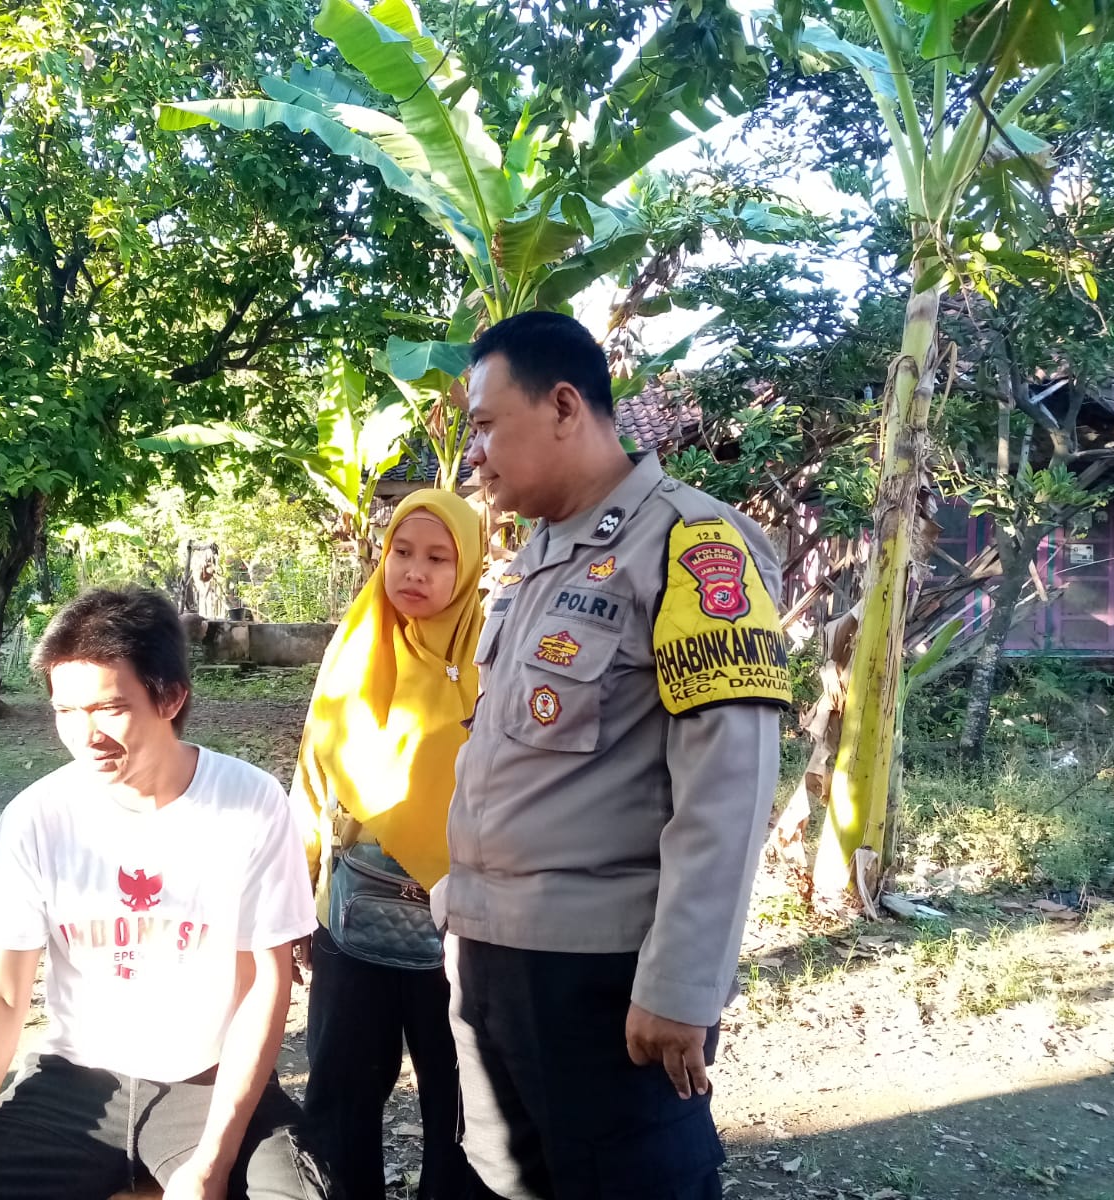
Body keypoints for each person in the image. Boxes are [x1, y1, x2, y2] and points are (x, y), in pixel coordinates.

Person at [437, 312, 792, 1200]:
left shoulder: (690, 546)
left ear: (564, 406)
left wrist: (682, 984)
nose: (475, 454)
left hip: (601, 974)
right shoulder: (538, 557)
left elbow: (729, 785)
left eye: (486, 425)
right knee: (504, 1182)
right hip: (491, 953)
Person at [0, 587, 326, 1200]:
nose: (86, 735)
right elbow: (2, 996)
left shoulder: (250, 803)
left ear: (170, 697)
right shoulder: (37, 817)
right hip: (73, 1085)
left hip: (207, 1083)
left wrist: (211, 1165)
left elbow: (267, 984)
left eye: (109, 708)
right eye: (66, 711)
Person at [292, 489, 494, 1200]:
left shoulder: (492, 656)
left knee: (462, 1108)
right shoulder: (355, 647)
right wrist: (297, 897)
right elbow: (313, 775)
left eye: (438, 558)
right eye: (402, 552)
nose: (415, 571)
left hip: (463, 924)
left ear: (468, 567)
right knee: (340, 1099)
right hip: (354, 918)